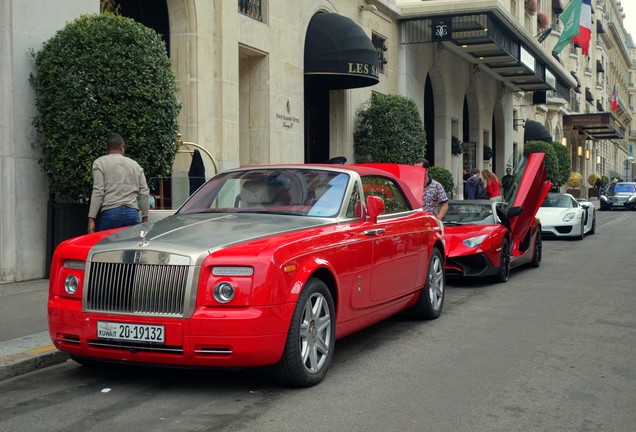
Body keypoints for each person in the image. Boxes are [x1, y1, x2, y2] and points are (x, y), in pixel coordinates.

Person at [88, 133, 150, 233]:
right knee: (130, 247)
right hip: (132, 213)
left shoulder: (100, 163)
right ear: (122, 147)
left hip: (110, 212)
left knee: (106, 247)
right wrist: (145, 217)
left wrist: (91, 218)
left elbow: (98, 191)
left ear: (106, 147)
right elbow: (144, 192)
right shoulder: (135, 165)